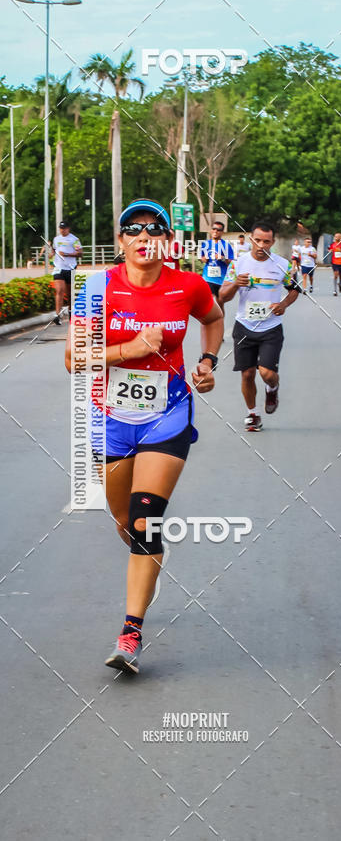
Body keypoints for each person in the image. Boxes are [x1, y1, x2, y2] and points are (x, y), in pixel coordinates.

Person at [65, 198, 224, 674]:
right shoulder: (95, 287)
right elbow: (75, 360)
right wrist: (129, 349)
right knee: (122, 517)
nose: (143, 237)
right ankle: (148, 550)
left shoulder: (189, 286)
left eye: (153, 229)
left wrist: (207, 362)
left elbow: (213, 320)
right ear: (120, 241)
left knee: (144, 521)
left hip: (167, 415)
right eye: (132, 230)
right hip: (109, 417)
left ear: (166, 241)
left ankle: (130, 632)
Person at [220, 220, 299, 431]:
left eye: (266, 241)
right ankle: (252, 414)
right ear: (251, 239)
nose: (261, 245)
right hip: (244, 325)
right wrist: (236, 283)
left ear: (273, 242)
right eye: (258, 240)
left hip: (271, 327)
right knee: (247, 374)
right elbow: (222, 296)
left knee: (266, 372)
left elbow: (295, 289)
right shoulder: (238, 264)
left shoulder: (283, 264)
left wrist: (283, 304)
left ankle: (272, 387)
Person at [52, 220, 82, 324]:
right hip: (59, 268)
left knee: (70, 294)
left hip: (70, 267)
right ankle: (57, 315)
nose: (62, 230)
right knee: (59, 290)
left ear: (68, 228)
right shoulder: (56, 239)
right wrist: (51, 255)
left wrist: (67, 254)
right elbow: (54, 251)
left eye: (64, 228)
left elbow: (80, 253)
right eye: (61, 228)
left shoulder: (74, 240)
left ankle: (70, 312)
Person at [200, 220, 235, 310]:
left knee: (220, 304)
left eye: (218, 230)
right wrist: (205, 258)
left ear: (222, 232)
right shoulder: (206, 244)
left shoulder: (226, 246)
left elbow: (231, 262)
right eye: (214, 229)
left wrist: (222, 258)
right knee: (211, 302)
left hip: (221, 279)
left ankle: (220, 322)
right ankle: (210, 322)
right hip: (208, 278)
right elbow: (202, 258)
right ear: (211, 230)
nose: (215, 231)